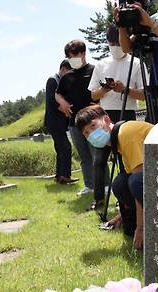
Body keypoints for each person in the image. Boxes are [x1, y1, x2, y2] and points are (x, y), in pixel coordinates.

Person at [75, 104, 153, 249]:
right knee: (120, 183)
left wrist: (141, 228)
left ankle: (151, 228)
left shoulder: (126, 134)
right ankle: (132, 223)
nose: (90, 134)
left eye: (92, 126)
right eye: (86, 133)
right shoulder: (118, 141)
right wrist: (122, 215)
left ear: (106, 119)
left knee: (134, 181)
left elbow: (141, 184)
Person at [88, 25, 146, 210]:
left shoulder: (136, 63)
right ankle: (98, 199)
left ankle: (126, 200)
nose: (115, 46)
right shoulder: (101, 64)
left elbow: (144, 94)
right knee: (99, 160)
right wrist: (105, 89)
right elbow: (93, 95)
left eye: (118, 42)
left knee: (125, 160)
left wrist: (125, 90)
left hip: (127, 114)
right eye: (111, 43)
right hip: (104, 116)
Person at [56, 40, 101, 197]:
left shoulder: (95, 70)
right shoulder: (67, 76)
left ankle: (105, 184)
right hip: (74, 123)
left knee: (98, 155)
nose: (71, 58)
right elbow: (58, 93)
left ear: (83, 53)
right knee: (84, 156)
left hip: (94, 122)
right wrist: (62, 102)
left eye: (73, 55)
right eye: (68, 56)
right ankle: (89, 185)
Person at [45, 59, 78, 184]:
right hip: (54, 121)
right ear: (63, 69)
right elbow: (51, 101)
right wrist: (65, 110)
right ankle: (64, 176)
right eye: (69, 72)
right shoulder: (53, 80)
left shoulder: (60, 81)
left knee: (61, 148)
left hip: (59, 122)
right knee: (65, 147)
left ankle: (61, 176)